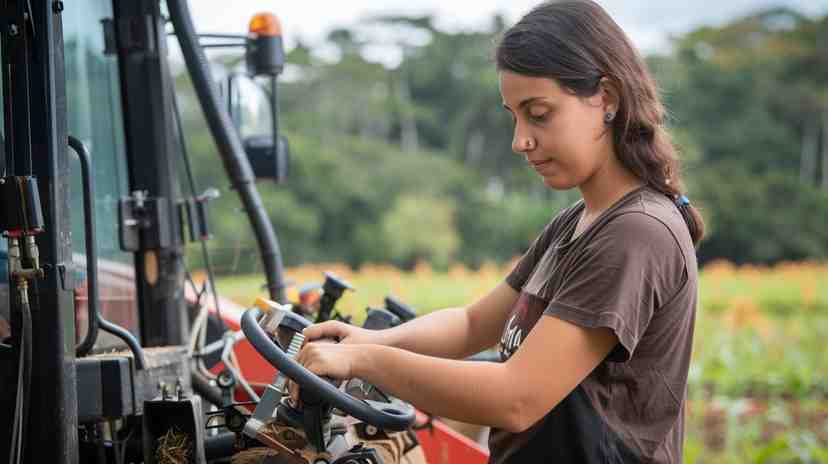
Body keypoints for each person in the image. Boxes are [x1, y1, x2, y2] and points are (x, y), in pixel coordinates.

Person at [289, 1, 702, 462]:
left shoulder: (636, 234)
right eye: (514, 116)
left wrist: (366, 362)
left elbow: (517, 398)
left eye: (539, 113)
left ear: (606, 98)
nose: (520, 139)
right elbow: (472, 325)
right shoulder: (576, 224)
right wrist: (368, 340)